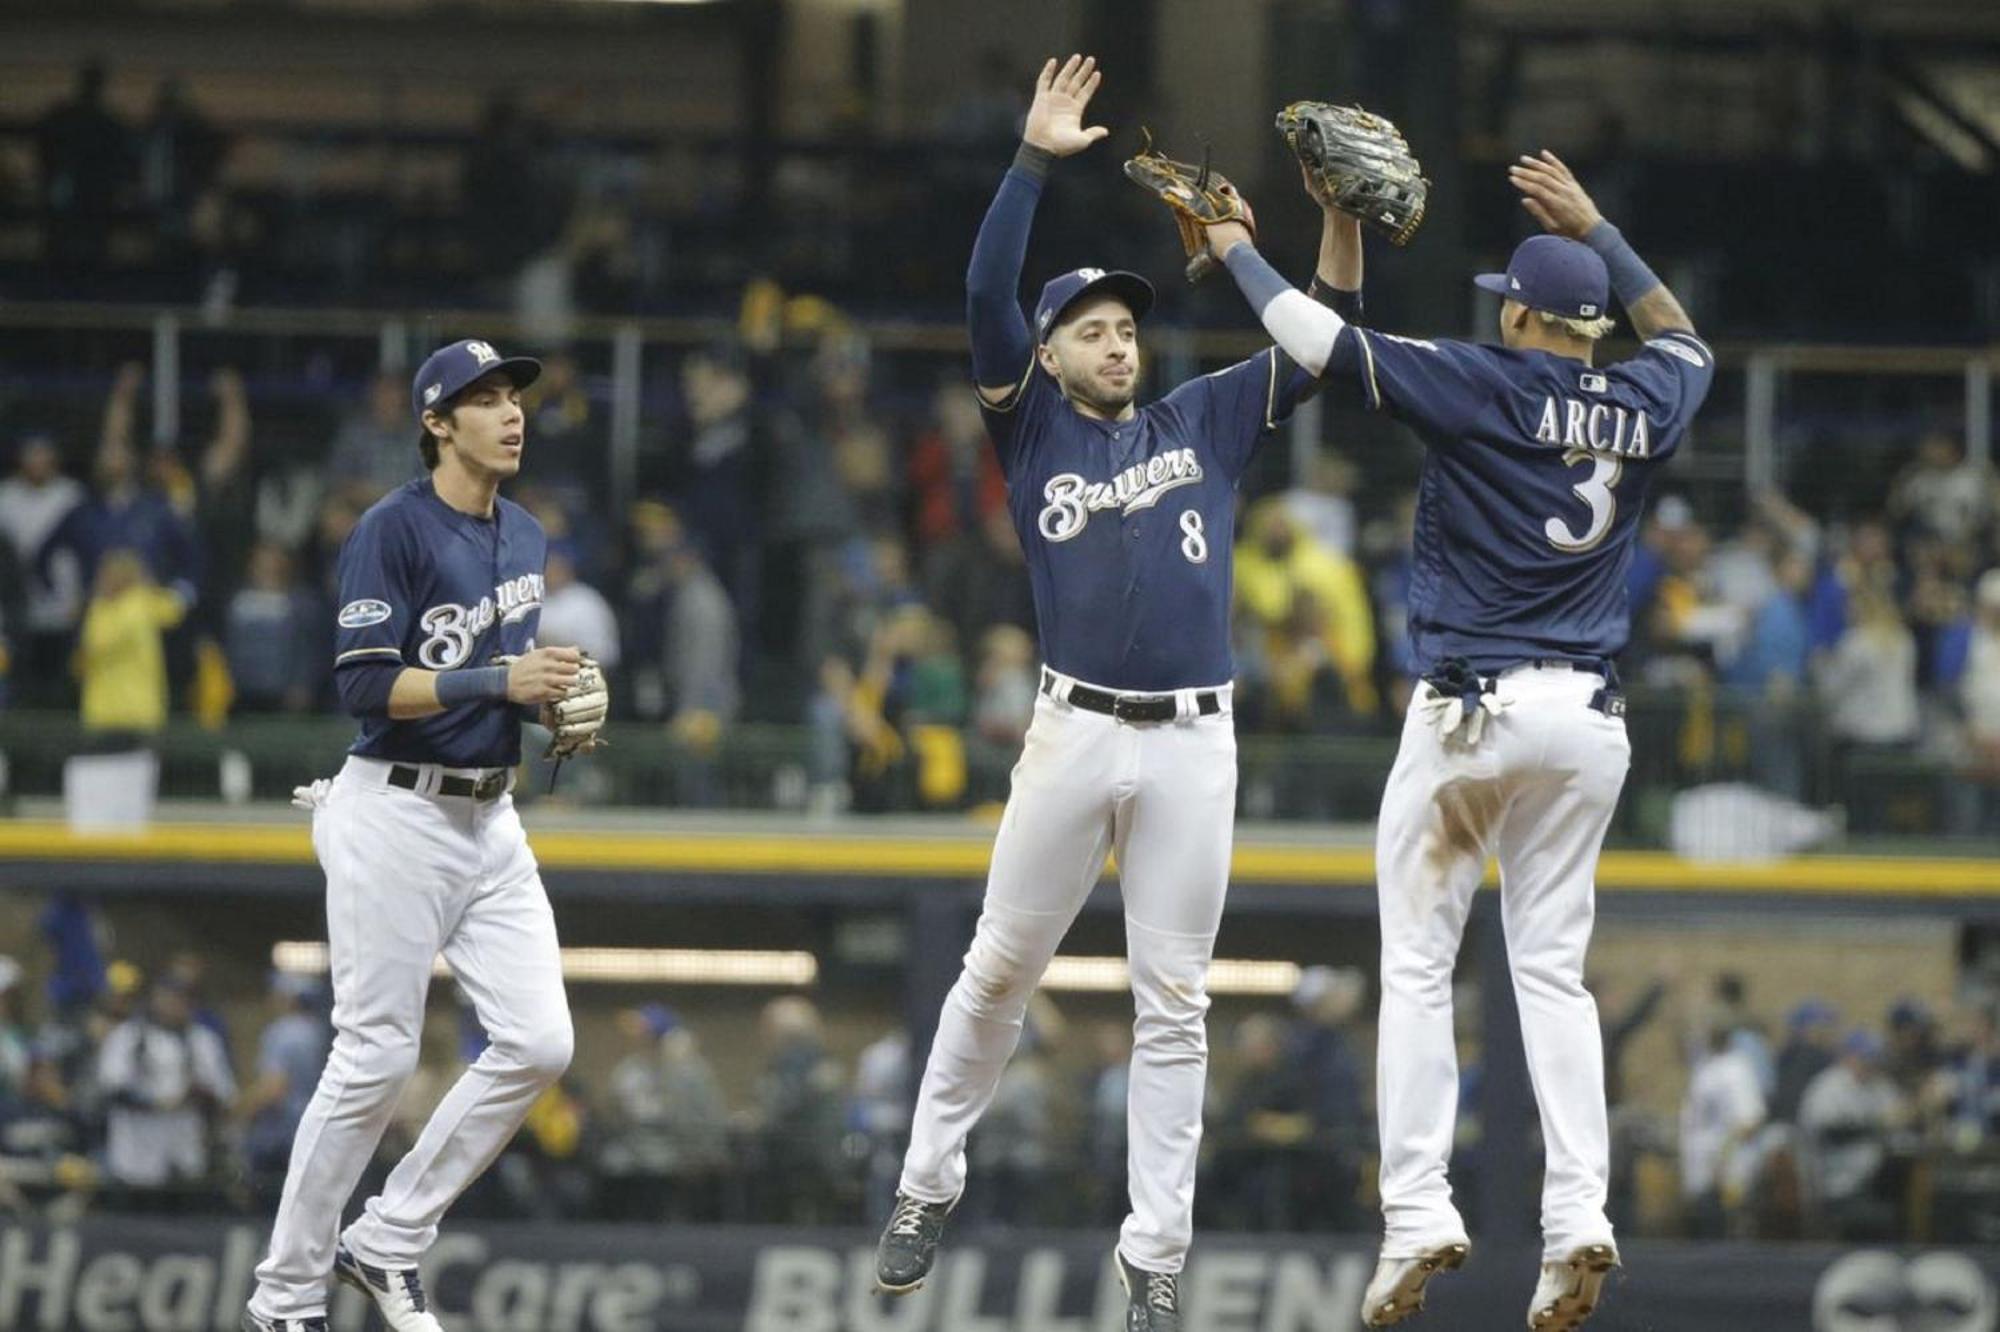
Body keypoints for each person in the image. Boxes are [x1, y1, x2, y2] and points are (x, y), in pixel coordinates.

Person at [871, 55, 1362, 1331]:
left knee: (1175, 1007)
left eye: (1125, 324)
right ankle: (926, 1185)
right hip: (1072, 728)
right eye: (1089, 326)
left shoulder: (1198, 419)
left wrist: (1335, 219)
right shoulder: (1030, 426)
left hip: (1197, 743)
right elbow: (984, 286)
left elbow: (1319, 332)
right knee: (994, 972)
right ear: (1046, 353)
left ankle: (1154, 1260)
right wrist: (1033, 158)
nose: (1115, 339)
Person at [1205, 148, 1713, 1330]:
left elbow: (1317, 342)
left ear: (1523, 313)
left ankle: (1417, 1212)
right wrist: (1604, 228)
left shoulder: (1481, 380)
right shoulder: (1642, 399)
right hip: (1587, 722)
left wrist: (1232, 243)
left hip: (1474, 714)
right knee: (1550, 974)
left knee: (1421, 968)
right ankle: (1579, 1215)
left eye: (1509, 302)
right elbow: (1683, 341)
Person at [243, 339, 588, 1332]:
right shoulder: (389, 529)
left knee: (538, 1041)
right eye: (482, 400)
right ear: (437, 423)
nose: (510, 413)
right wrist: (499, 684)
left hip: (490, 814)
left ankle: (388, 1237)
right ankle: (285, 1297)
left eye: (513, 395)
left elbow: (496, 675)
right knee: (375, 1059)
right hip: (393, 811)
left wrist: (549, 708)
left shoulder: (522, 533)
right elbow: (360, 682)